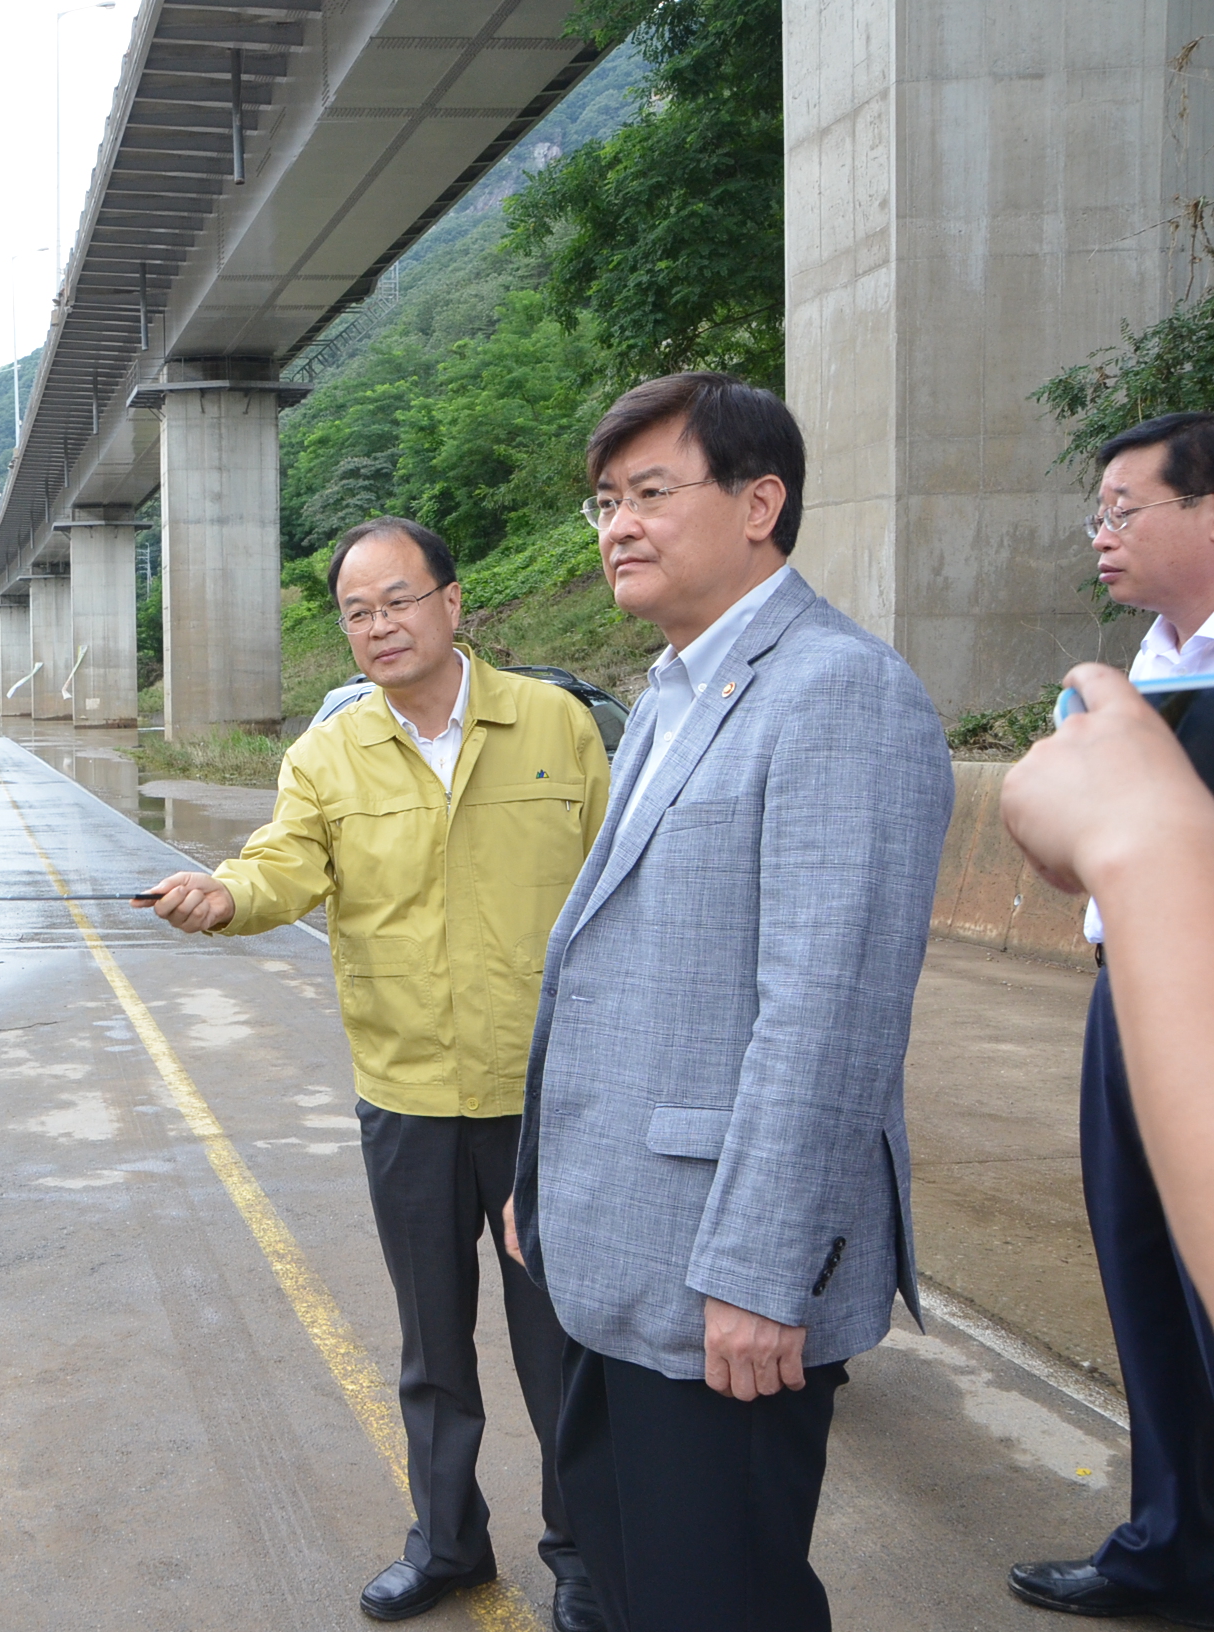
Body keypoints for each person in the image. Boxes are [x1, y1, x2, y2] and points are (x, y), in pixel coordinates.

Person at [500, 372, 954, 1632]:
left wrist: (762, 1275)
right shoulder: (670, 690)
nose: (616, 527)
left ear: (762, 502)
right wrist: (545, 1183)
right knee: (630, 1576)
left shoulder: (838, 692)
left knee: (722, 1597)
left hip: (721, 1275)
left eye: (651, 492)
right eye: (603, 501)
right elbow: (617, 976)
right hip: (613, 1243)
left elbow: (828, 1016)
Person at [136, 517, 613, 1630]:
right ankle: (448, 1546)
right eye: (356, 612)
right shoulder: (327, 755)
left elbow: (617, 890)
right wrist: (222, 896)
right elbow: (281, 865)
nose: (378, 626)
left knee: (562, 1348)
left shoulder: (556, 726)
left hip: (545, 1098)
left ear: (453, 603)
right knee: (432, 1346)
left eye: (397, 600)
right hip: (405, 1099)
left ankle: (585, 1557)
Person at [1001, 412, 1214, 1626]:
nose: (1102, 534)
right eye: (1098, 513)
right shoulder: (1141, 669)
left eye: (1125, 509)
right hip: (1120, 996)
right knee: (1140, 1265)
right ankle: (1170, 1538)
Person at [1001, 664, 1214, 1286]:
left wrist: (1130, 849)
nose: (1097, 557)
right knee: (1145, 1277)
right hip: (1128, 980)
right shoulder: (1154, 660)